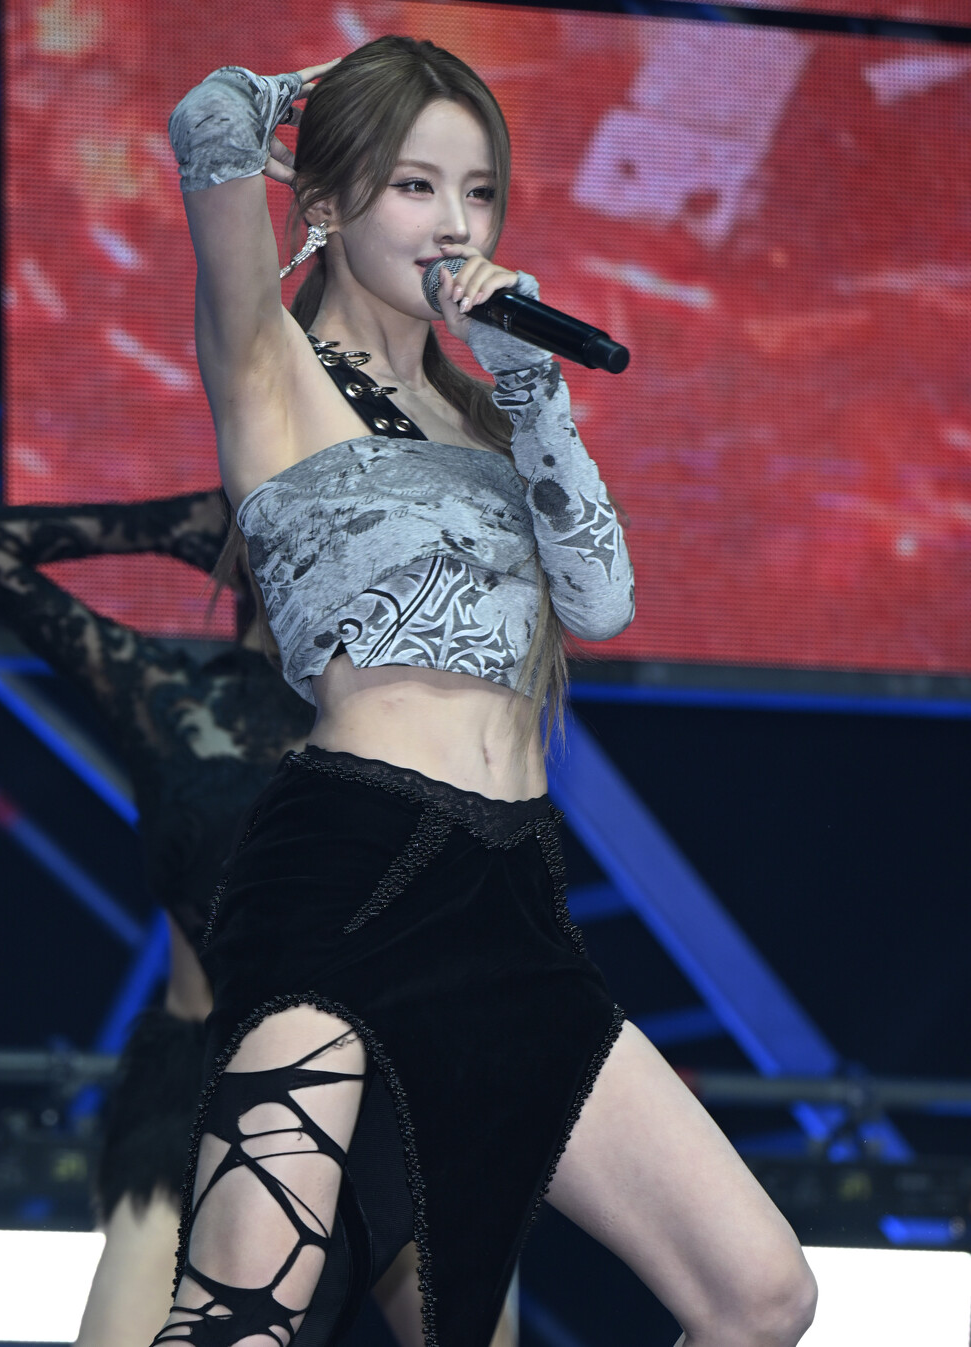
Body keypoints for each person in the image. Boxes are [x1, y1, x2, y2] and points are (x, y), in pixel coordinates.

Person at [156, 35, 818, 1347]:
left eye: (476, 192)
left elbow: (601, 601)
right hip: (349, 863)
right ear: (328, 202)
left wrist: (527, 376)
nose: (454, 224)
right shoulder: (269, 364)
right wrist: (319, 95)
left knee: (758, 1294)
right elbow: (204, 116)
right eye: (414, 185)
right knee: (240, 1311)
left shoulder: (489, 415)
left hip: (509, 890)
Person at [0, 494, 478, 1347]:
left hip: (385, 1084)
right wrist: (183, 526)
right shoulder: (169, 701)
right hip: (195, 1093)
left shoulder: (412, 717)